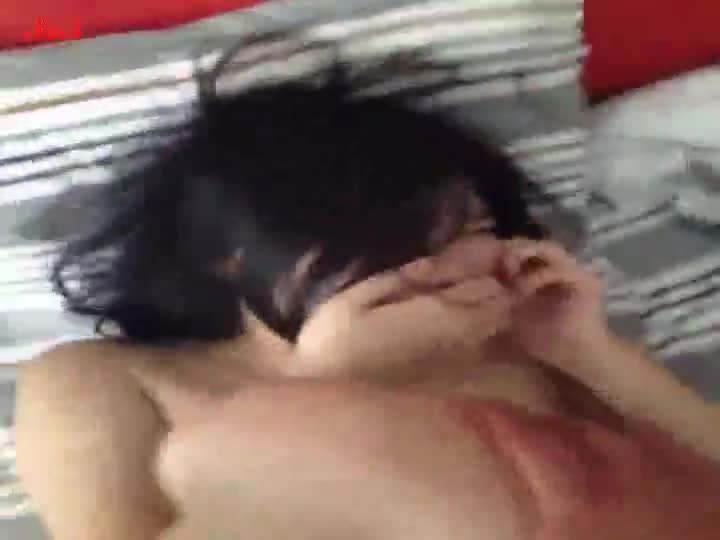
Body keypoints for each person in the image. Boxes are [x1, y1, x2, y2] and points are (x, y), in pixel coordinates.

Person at [14, 48, 720, 540]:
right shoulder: (109, 382)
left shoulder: (516, 350)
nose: (451, 266)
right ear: (227, 259)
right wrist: (333, 391)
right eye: (388, 243)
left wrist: (591, 354)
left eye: (474, 229)